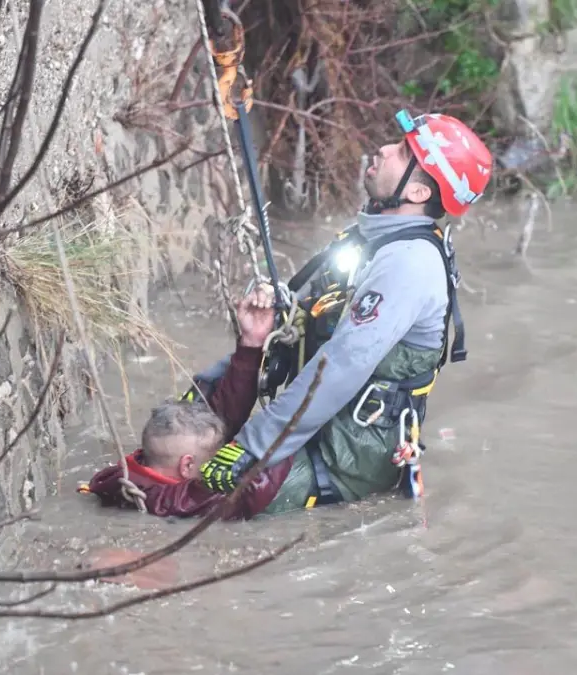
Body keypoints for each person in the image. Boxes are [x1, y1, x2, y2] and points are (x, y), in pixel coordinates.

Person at [194, 109, 492, 514]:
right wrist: (259, 334)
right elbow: (315, 313)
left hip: (347, 458)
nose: (384, 149)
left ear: (419, 193)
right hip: (318, 426)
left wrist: (252, 447)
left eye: (403, 152)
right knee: (184, 423)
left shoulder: (409, 263)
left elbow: (340, 366)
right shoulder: (372, 238)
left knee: (204, 498)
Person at [83, 284, 295, 520]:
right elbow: (249, 494)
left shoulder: (123, 474)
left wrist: (252, 343)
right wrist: (294, 422)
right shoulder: (176, 503)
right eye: (215, 456)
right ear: (187, 466)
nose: (220, 458)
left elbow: (220, 417)